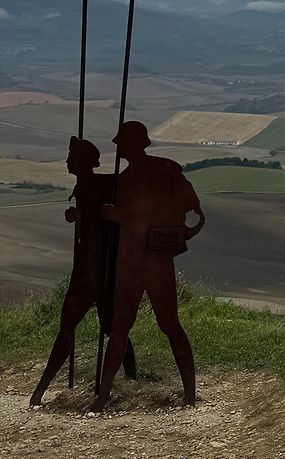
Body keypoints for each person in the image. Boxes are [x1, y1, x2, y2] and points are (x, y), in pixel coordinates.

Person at [91, 120, 205, 411]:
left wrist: (114, 215)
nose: (118, 147)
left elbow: (140, 217)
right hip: (151, 260)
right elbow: (195, 211)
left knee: (129, 328)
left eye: (121, 142)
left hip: (137, 262)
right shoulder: (164, 170)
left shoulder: (136, 178)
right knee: (161, 326)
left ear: (132, 144)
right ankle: (188, 394)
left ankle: (103, 397)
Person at [28, 136, 137, 406]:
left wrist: (88, 218)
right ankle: (40, 391)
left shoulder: (102, 186)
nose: (67, 162)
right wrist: (78, 216)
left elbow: (104, 224)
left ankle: (131, 381)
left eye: (72, 158)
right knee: (77, 328)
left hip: (98, 269)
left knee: (109, 328)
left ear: (84, 162)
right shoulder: (84, 186)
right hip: (87, 269)